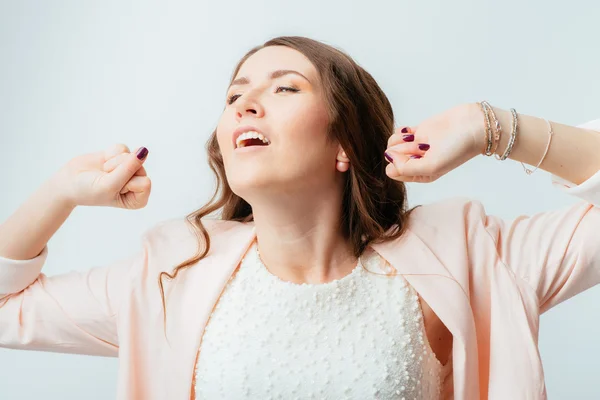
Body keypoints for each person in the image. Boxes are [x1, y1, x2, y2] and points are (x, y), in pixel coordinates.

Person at [0, 36, 598, 400]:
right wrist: (62, 192)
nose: (245, 105)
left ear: (344, 145)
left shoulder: (463, 260)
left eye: (285, 88)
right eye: (235, 96)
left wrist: (488, 126)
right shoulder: (171, 277)